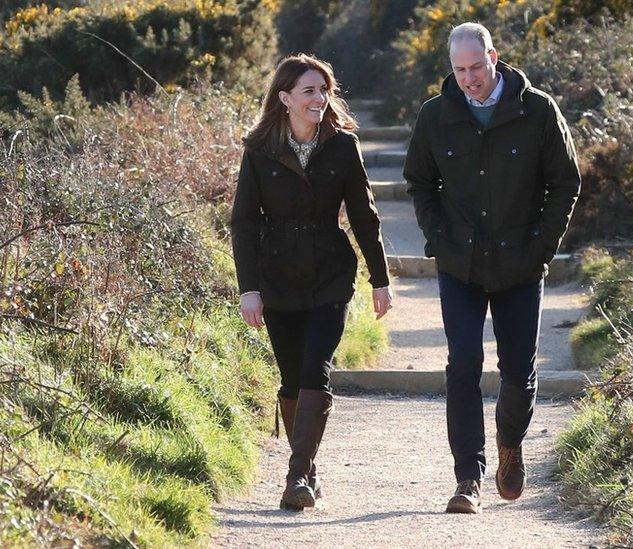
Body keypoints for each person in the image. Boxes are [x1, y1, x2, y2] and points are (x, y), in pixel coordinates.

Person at [403, 22, 581, 514]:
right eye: (459, 70)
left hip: (520, 263)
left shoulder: (538, 110)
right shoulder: (435, 116)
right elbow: (419, 182)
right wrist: (439, 238)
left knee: (518, 372)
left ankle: (510, 445)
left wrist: (541, 249)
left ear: (494, 57)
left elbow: (566, 183)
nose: (468, 79)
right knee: (462, 365)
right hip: (459, 263)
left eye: (475, 67)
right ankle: (467, 480)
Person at [230, 54, 393, 511]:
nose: (319, 99)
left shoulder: (342, 146)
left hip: (329, 274)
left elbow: (364, 215)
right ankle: (308, 467)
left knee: (315, 367)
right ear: (285, 98)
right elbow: (243, 222)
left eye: (324, 90)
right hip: (276, 274)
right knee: (289, 378)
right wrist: (249, 287)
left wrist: (380, 279)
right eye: (309, 91)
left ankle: (297, 475)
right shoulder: (260, 149)